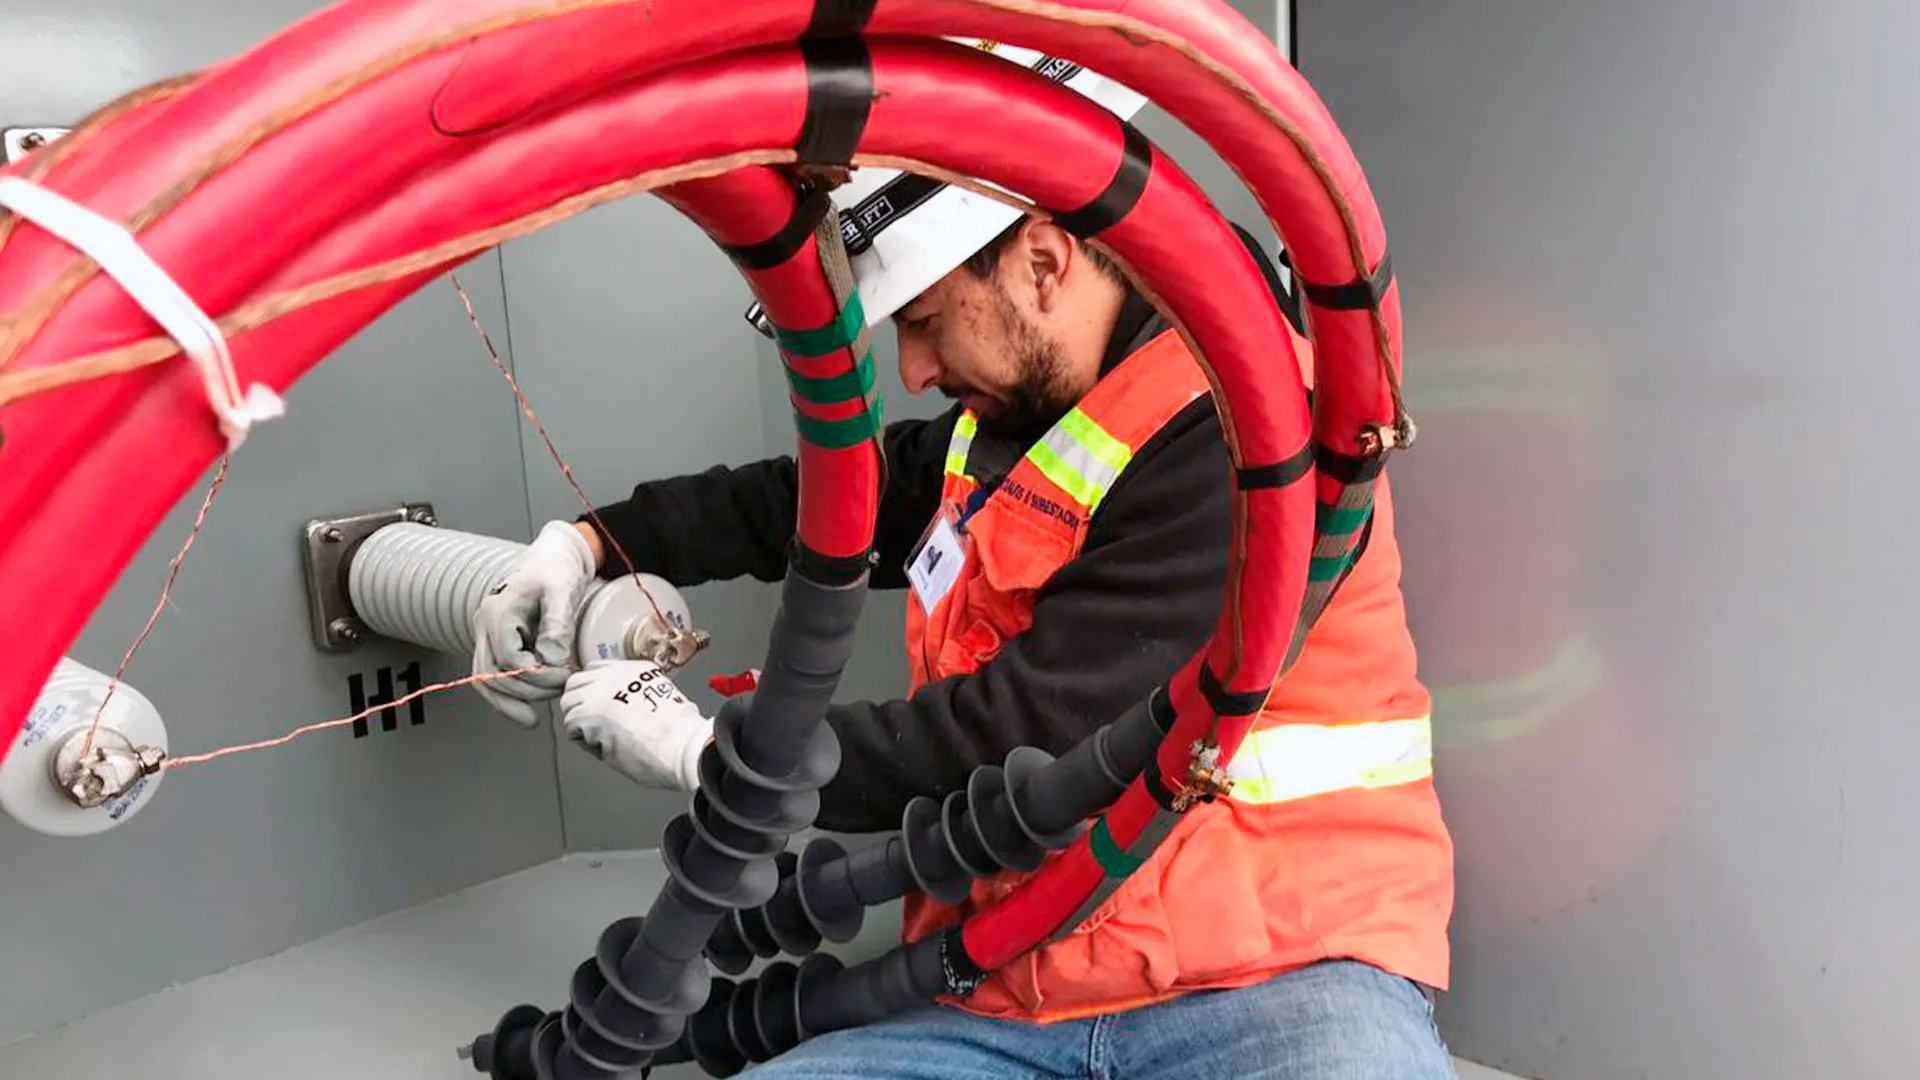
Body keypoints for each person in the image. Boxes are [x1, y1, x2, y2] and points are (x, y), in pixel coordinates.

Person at [471, 47, 1456, 1080]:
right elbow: (798, 504)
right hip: (994, 1000)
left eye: (926, 321)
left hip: (1277, 985)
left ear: (1041, 262)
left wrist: (710, 755)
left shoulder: (1247, 437)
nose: (914, 370)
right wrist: (582, 544)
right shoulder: (1017, 426)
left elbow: (1020, 731)